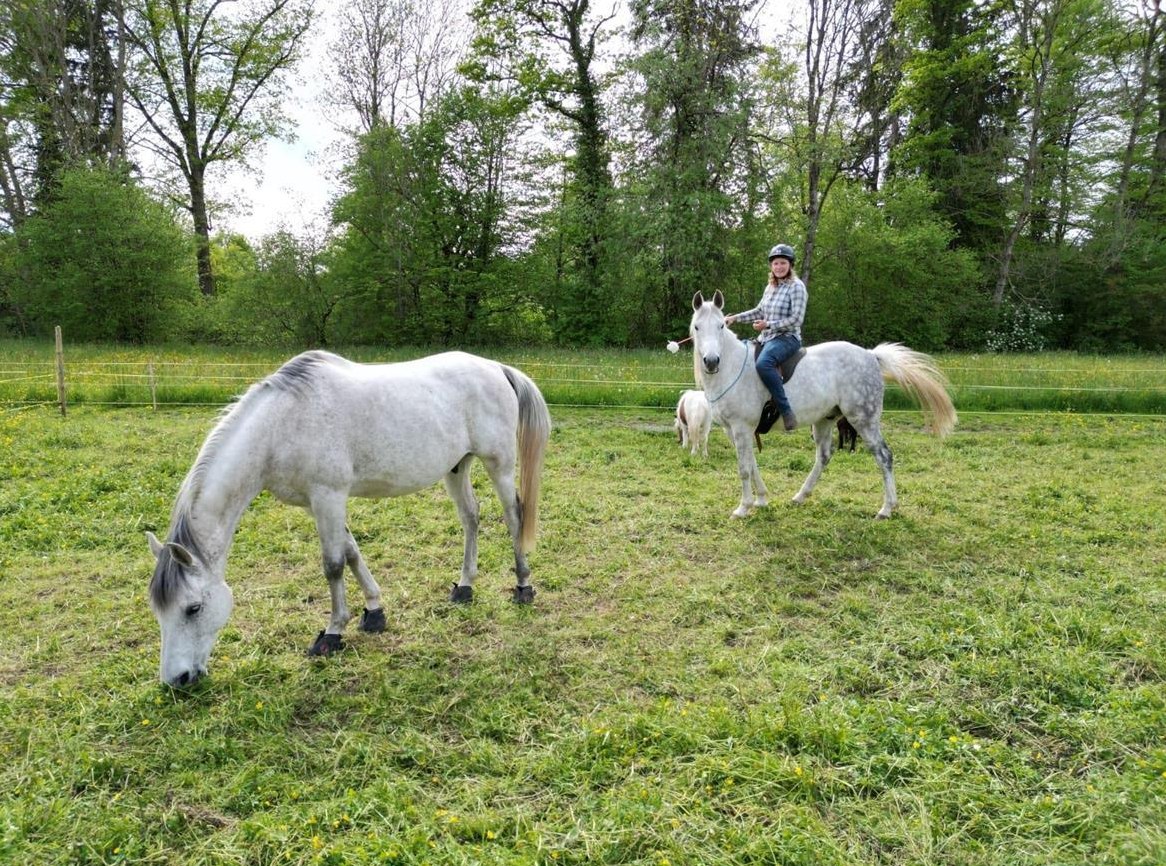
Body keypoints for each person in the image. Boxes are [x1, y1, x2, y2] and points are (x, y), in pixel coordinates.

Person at [724, 243, 807, 432]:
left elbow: (797, 319)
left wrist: (768, 324)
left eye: (783, 263)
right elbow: (759, 311)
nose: (779, 267)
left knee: (764, 363)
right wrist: (735, 318)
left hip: (787, 338)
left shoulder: (797, 287)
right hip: (766, 337)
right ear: (771, 266)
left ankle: (786, 411)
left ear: (790, 265)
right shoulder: (770, 287)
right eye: (776, 263)